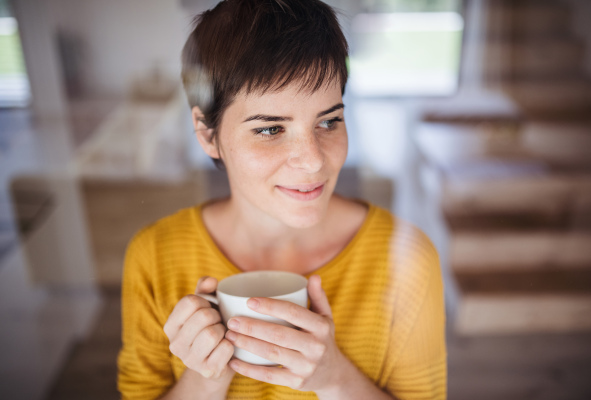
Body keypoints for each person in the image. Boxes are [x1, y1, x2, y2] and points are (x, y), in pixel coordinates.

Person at [117, 0, 447, 399]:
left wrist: (335, 379)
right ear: (207, 134)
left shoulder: (406, 259)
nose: (312, 161)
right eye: (271, 129)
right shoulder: (154, 256)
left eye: (329, 121)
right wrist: (204, 379)